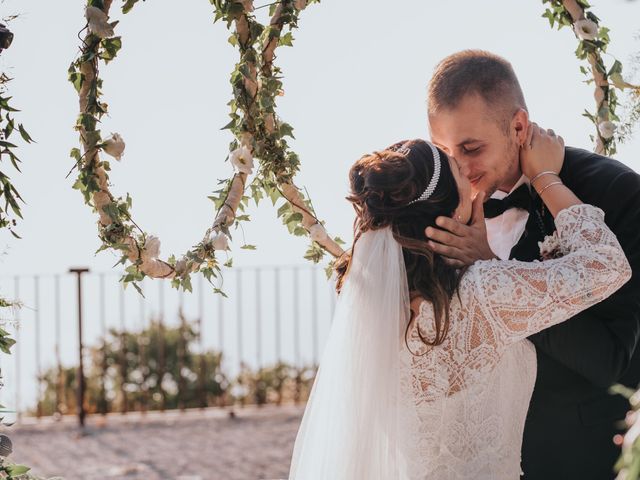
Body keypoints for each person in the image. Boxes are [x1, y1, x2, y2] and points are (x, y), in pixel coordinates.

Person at [287, 131, 631, 479]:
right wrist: (546, 178)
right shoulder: (482, 291)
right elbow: (607, 264)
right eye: (457, 168)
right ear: (450, 204)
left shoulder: (369, 303)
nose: (469, 175)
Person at [425, 50, 640, 479]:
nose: (460, 170)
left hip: (578, 457)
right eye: (446, 152)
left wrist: (492, 273)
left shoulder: (616, 193)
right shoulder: (440, 201)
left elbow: (615, 362)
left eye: (471, 148)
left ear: (519, 126)